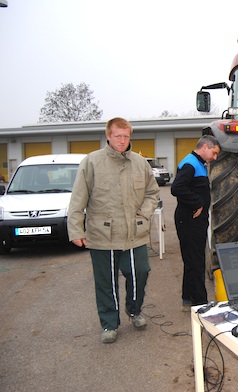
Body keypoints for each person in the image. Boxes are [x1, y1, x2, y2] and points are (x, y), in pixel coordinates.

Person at [68, 117, 160, 344]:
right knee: (105, 282)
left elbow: (152, 193)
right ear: (108, 136)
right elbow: (78, 199)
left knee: (140, 272)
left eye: (126, 136)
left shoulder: (140, 163)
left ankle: (134, 310)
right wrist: (76, 230)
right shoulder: (91, 162)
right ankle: (109, 324)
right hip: (103, 235)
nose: (122, 140)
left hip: (133, 234)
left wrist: (145, 214)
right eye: (117, 136)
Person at [171, 135, 221, 311]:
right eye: (214, 153)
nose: (214, 158)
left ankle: (188, 297)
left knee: (192, 259)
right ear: (205, 147)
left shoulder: (197, 163)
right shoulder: (190, 164)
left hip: (194, 220)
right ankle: (200, 302)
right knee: (196, 261)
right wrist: (197, 203)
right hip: (189, 220)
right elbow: (177, 188)